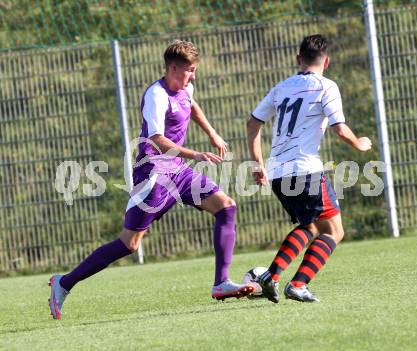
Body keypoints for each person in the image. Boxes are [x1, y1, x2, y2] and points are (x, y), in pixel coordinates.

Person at [48, 40, 254, 320]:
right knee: (129, 244)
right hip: (154, 176)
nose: (192, 76)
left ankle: (221, 283)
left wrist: (213, 134)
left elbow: (192, 106)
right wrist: (196, 153)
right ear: (172, 68)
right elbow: (157, 139)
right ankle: (64, 282)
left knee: (226, 206)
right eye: (189, 70)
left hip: (178, 171)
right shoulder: (156, 96)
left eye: (194, 70)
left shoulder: (185, 87)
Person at [246, 34, 372, 303]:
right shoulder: (326, 86)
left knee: (312, 227)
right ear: (326, 62)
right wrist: (359, 143)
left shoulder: (281, 87)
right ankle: (291, 281)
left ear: (297, 59)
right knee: (333, 231)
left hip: (278, 172)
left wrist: (258, 163)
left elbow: (253, 124)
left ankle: (274, 277)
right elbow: (340, 129)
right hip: (306, 170)